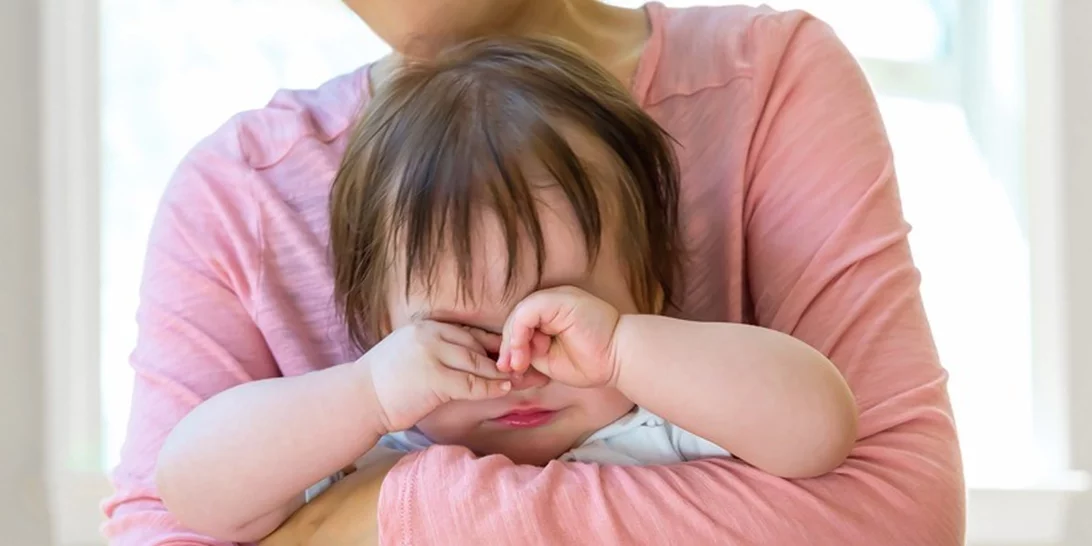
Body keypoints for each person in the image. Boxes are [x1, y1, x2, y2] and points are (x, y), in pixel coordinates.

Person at [102, 1, 965, 545]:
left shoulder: (670, 420)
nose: (516, 361)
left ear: (656, 289)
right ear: (373, 323)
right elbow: (188, 494)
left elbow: (830, 438)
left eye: (560, 314)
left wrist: (629, 350)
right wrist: (363, 392)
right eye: (463, 334)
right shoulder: (374, 426)